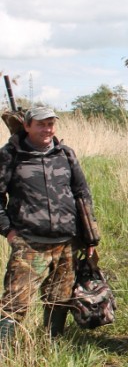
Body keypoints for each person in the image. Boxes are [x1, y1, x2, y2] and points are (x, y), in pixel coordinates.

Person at [0, 106, 98, 345]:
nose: (47, 129)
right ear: (27, 126)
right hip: (29, 242)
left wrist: (90, 237)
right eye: (41, 124)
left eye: (51, 124)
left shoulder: (65, 154)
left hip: (66, 242)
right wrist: (9, 231)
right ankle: (3, 356)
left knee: (60, 298)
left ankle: (51, 345)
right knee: (15, 302)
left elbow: (81, 195)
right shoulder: (11, 155)